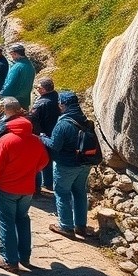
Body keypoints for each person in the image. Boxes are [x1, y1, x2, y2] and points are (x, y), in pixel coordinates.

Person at [0, 115, 49, 271]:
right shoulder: (36, 141)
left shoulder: (6, 140)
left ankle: (10, 260)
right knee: (22, 220)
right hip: (27, 189)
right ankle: (25, 257)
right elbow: (44, 161)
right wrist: (31, 171)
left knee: (6, 222)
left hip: (7, 188)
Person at [43, 91, 98, 238]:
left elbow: (54, 145)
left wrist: (42, 138)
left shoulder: (63, 124)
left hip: (66, 164)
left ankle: (66, 226)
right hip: (85, 163)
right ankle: (81, 226)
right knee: (80, 192)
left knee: (62, 193)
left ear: (62, 105)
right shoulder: (85, 121)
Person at [28, 78, 60, 194]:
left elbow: (32, 117)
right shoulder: (57, 98)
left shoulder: (42, 102)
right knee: (49, 159)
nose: (37, 89)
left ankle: (38, 186)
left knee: (38, 160)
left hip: (42, 133)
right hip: (53, 132)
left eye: (39, 88)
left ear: (44, 90)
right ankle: (49, 182)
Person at [1, 43, 35, 113]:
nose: (12, 57)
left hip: (13, 100)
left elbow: (9, 82)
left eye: (12, 55)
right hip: (25, 100)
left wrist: (2, 93)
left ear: (15, 53)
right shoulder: (30, 65)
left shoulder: (17, 67)